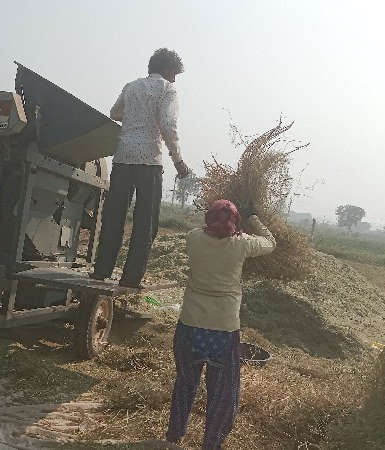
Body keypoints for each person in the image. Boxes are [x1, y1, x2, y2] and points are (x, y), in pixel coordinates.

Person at [165, 199, 275, 449]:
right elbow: (271, 242)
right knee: (222, 392)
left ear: (209, 218)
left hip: (191, 326)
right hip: (223, 331)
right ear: (234, 221)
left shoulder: (193, 238)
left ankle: (174, 436)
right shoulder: (243, 243)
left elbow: (202, 231)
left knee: (185, 383)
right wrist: (254, 218)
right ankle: (212, 443)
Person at [90, 48, 190, 288]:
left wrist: (134, 118)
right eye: (174, 73)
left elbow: (114, 113)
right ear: (167, 70)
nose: (175, 78)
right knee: (146, 220)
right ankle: (131, 277)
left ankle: (101, 270)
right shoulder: (168, 89)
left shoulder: (132, 86)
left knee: (114, 215)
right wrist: (178, 160)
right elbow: (168, 125)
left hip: (123, 155)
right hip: (148, 159)